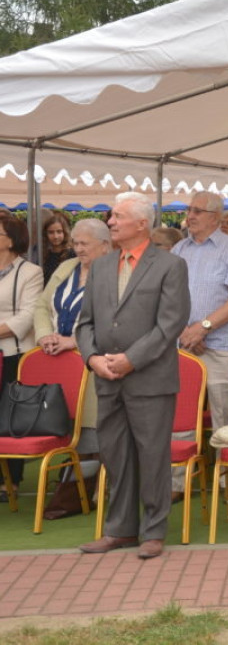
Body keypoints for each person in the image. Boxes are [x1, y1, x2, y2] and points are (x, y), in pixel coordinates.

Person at [76, 192, 190, 559]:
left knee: (152, 454)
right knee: (115, 454)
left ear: (142, 223)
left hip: (150, 378)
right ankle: (120, 530)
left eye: (118, 216)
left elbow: (170, 324)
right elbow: (85, 324)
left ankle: (153, 531)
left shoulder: (170, 265)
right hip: (106, 378)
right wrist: (92, 358)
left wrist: (131, 359)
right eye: (111, 216)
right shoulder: (103, 266)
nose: (110, 222)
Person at [171, 191, 228, 504]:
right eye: (189, 209)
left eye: (198, 211)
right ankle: (178, 480)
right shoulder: (180, 248)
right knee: (181, 412)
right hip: (184, 343)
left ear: (216, 218)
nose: (190, 215)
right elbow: (169, 296)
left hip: (221, 344)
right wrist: (186, 331)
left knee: (225, 413)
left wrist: (202, 328)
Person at [34, 219, 112, 517]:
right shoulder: (66, 268)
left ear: (105, 245)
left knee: (91, 430)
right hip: (56, 361)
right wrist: (45, 336)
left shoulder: (115, 273)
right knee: (62, 424)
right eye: (76, 243)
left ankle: (76, 495)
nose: (78, 248)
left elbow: (110, 320)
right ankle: (73, 487)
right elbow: (42, 306)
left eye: (84, 244)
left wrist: (74, 341)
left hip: (92, 360)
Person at [0, 213, 44, 501]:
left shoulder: (30, 272)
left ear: (11, 239)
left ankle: (10, 481)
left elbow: (28, 316)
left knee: (10, 417)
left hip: (14, 353)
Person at [40, 212, 74, 284]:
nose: (55, 236)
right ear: (46, 234)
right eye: (51, 232)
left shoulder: (72, 254)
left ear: (64, 233)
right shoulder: (43, 254)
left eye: (59, 232)